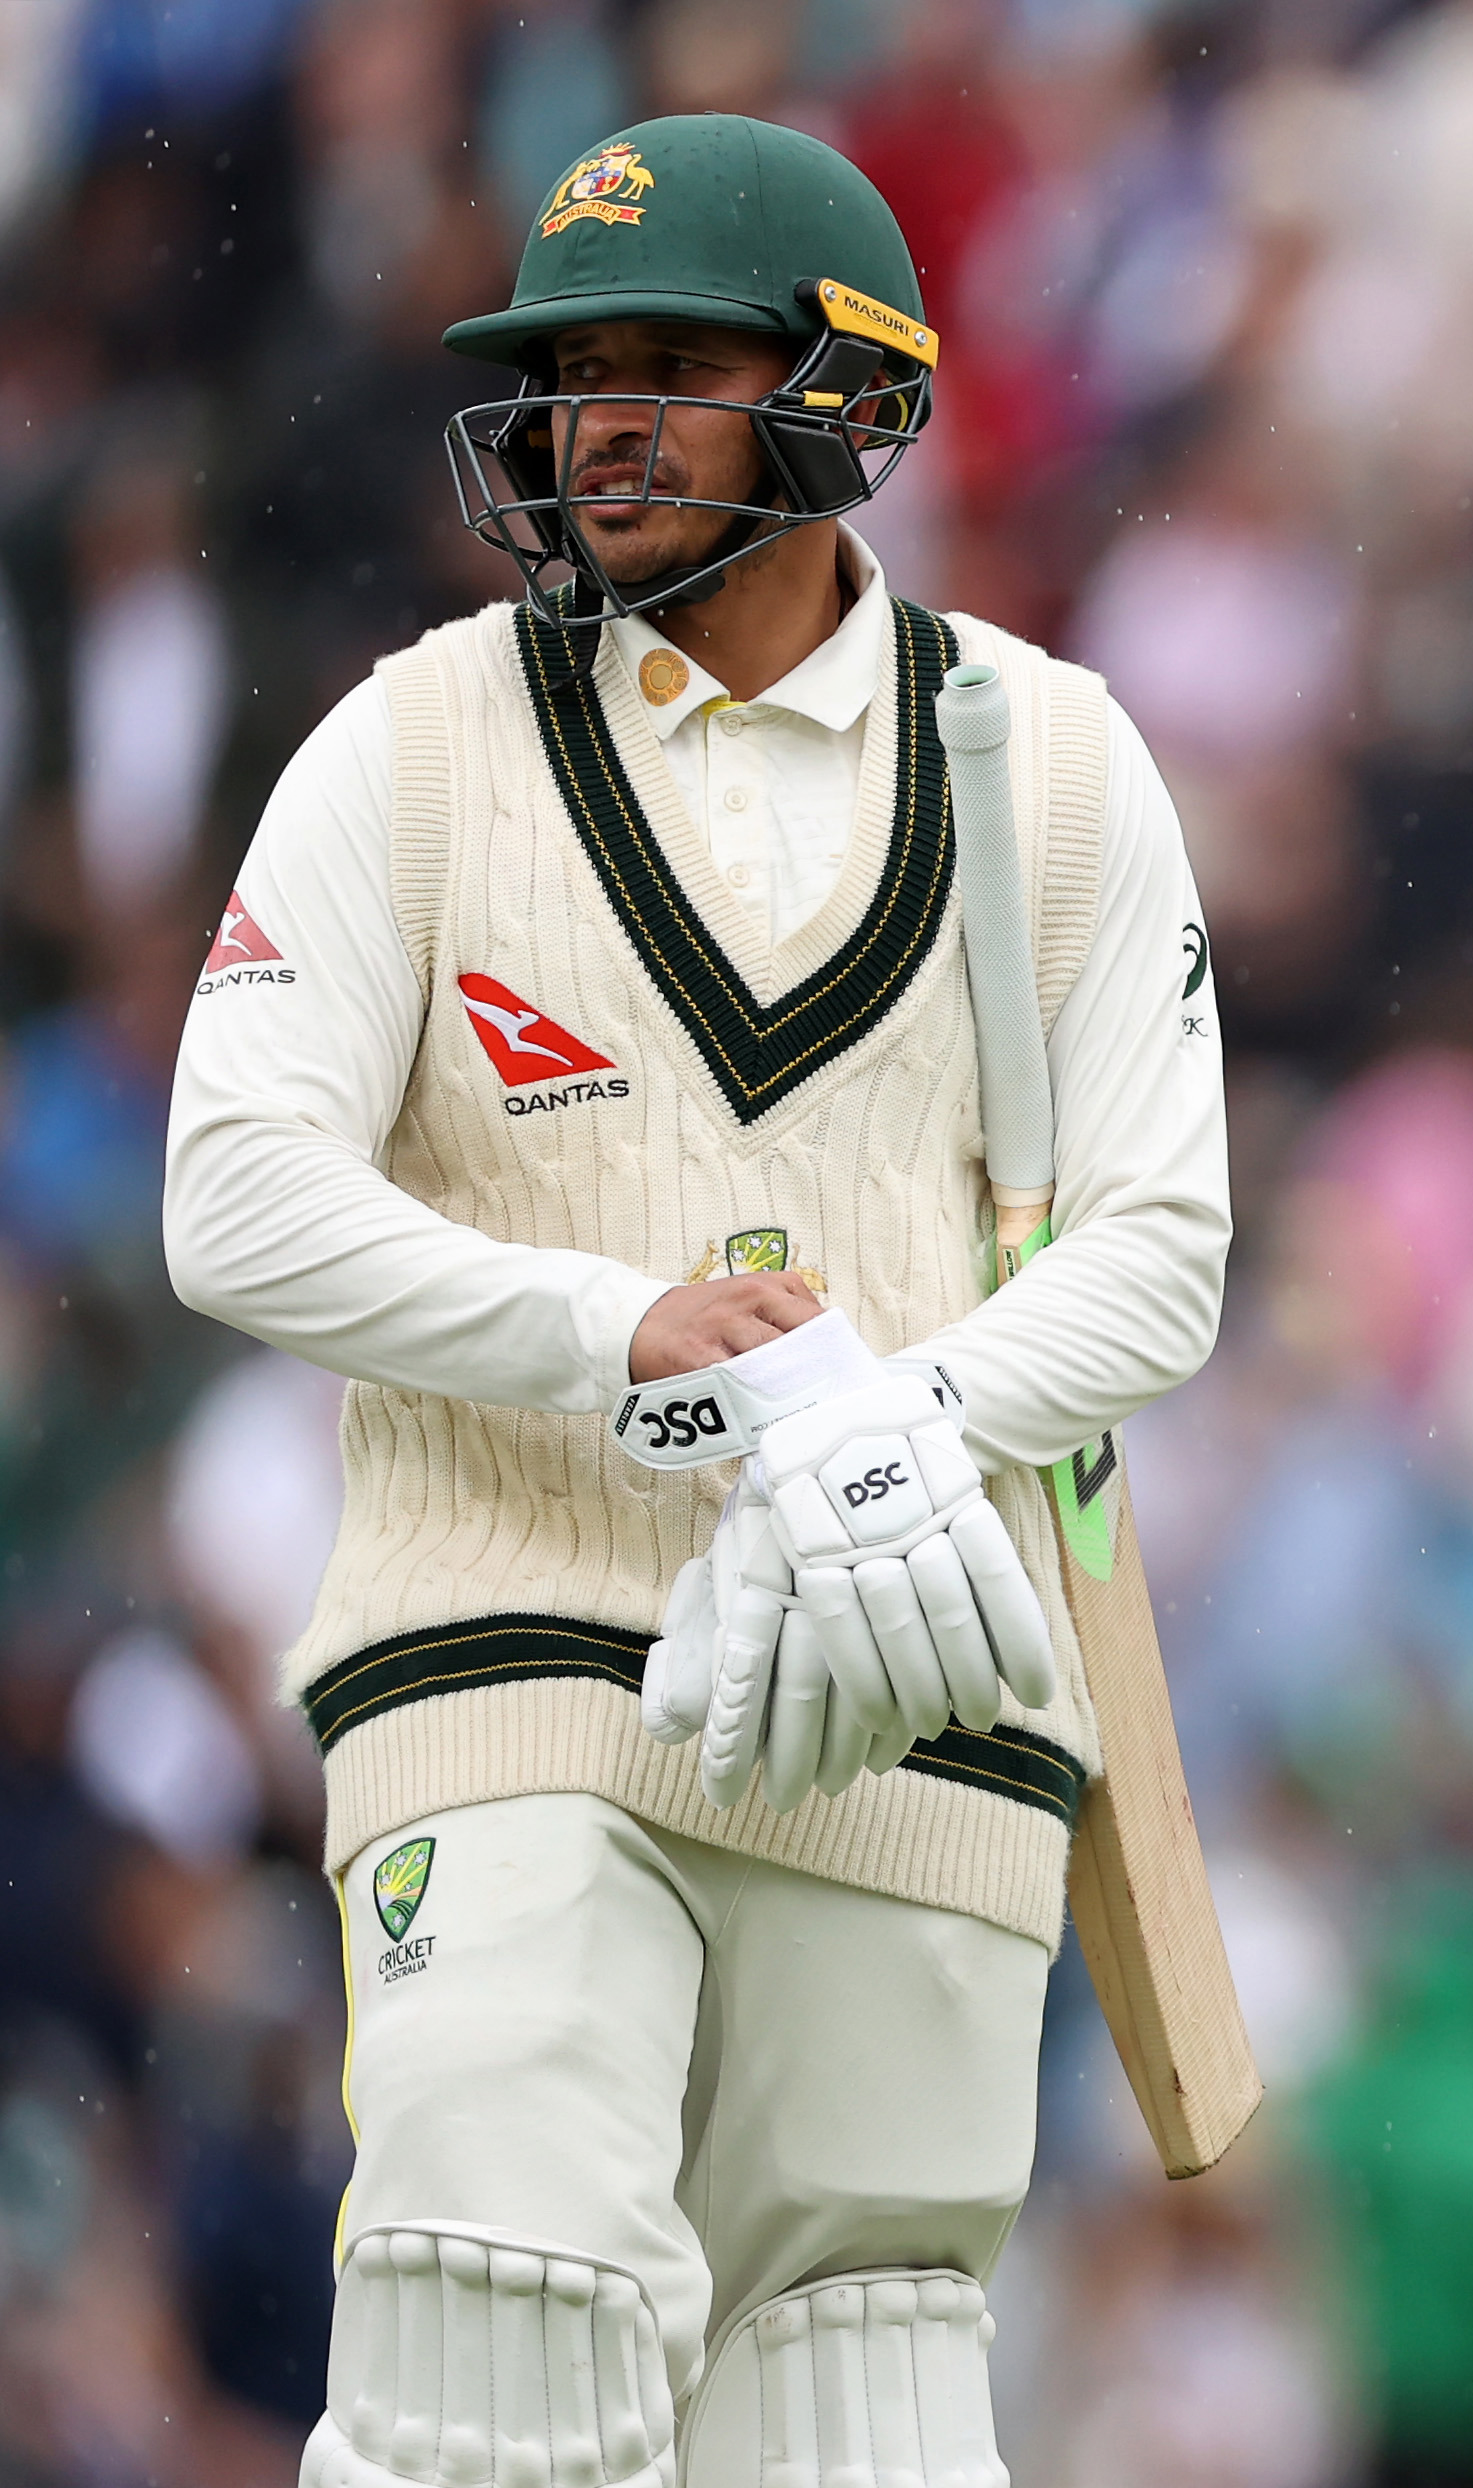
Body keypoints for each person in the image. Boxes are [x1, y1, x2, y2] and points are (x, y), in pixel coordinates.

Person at [162, 114, 1227, 2488]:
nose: (595, 422)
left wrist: (883, 1431)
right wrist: (607, 1334)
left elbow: (1163, 1248)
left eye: (667, 363)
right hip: (510, 1646)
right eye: (567, 373)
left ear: (843, 403)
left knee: (854, 2407)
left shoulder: (1046, 762)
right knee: (491, 2355)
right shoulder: (413, 742)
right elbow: (229, 1194)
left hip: (916, 1687)